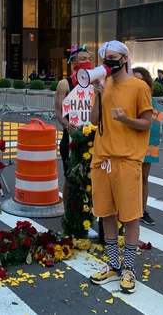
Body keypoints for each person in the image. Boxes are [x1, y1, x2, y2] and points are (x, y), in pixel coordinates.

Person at [89, 41, 152, 294]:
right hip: (102, 158)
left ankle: (129, 267)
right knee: (106, 213)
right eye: (105, 58)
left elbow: (147, 123)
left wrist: (125, 119)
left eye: (112, 57)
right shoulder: (105, 85)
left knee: (130, 216)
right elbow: (94, 120)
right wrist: (98, 94)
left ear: (125, 58)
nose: (108, 62)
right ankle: (114, 264)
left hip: (127, 160)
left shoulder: (140, 86)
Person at [55, 44, 97, 239]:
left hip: (94, 138)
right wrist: (66, 123)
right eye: (82, 59)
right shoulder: (65, 84)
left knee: (92, 180)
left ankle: (90, 215)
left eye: (89, 58)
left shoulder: (97, 83)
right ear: (73, 62)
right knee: (71, 178)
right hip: (71, 138)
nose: (87, 61)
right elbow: (58, 112)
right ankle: (69, 214)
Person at [132, 67, 157, 226]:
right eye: (135, 80)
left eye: (141, 80)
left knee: (143, 178)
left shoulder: (149, 100)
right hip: (128, 144)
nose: (138, 84)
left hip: (147, 142)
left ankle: (142, 210)